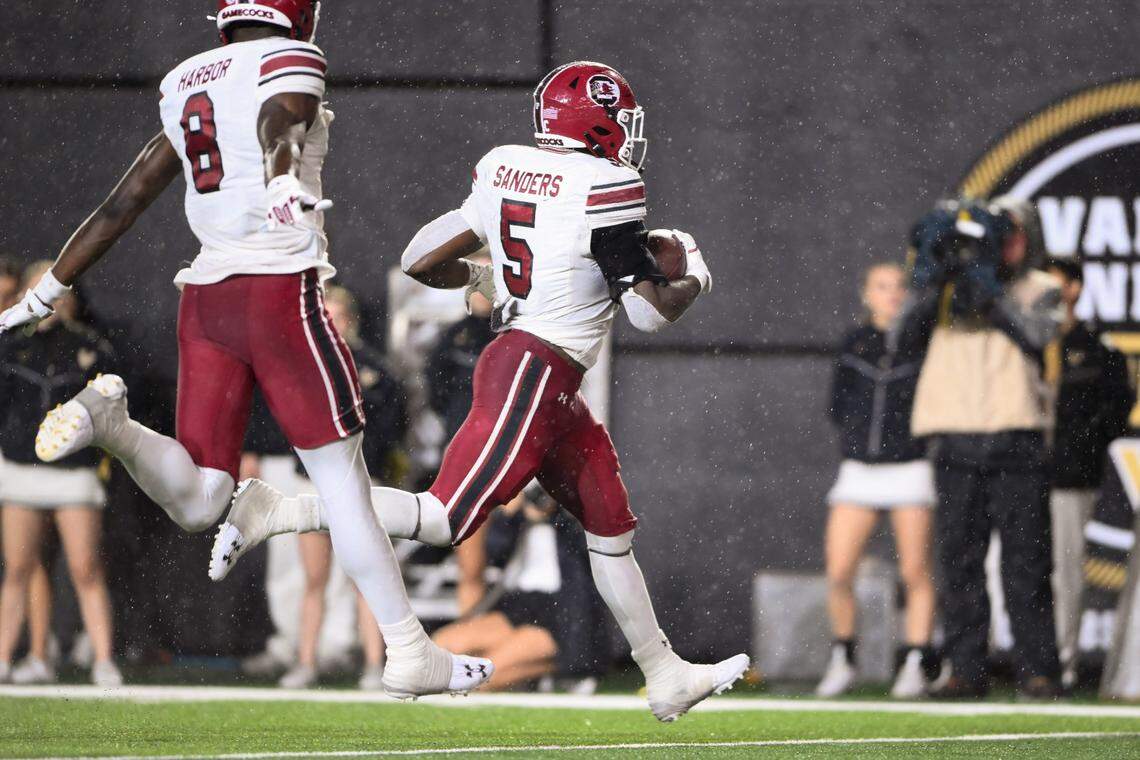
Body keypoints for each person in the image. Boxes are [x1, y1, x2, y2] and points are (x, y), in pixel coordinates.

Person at [216, 60, 750, 722]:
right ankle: (284, 510)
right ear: (600, 119)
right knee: (442, 518)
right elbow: (647, 312)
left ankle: (664, 673)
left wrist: (493, 278)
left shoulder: (505, 166)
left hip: (546, 375)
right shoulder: (610, 183)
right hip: (533, 366)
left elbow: (418, 257)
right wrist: (695, 270)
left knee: (610, 528)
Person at [0, 1, 491, 699]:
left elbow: (124, 200)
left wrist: (50, 287)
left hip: (205, 302)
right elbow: (279, 118)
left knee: (202, 501)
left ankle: (115, 426)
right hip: (279, 294)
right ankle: (409, 649)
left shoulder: (187, 79)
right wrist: (284, 174)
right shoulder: (289, 62)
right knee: (344, 490)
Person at [897, 197, 1063, 699]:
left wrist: (989, 290)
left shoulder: (1043, 288)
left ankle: (1039, 672)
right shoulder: (942, 290)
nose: (1001, 243)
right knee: (960, 564)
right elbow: (904, 339)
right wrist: (937, 272)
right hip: (954, 439)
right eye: (996, 233)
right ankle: (966, 672)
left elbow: (1036, 337)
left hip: (1018, 440)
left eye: (1011, 233)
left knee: (1027, 565)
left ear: (1030, 239)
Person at [817, 262, 937, 699]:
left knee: (915, 572)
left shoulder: (923, 341)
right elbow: (837, 405)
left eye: (899, 287)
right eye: (882, 287)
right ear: (866, 294)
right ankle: (843, 658)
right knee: (838, 571)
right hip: (859, 470)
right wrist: (858, 437)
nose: (891, 294)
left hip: (910, 467)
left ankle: (914, 661)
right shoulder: (854, 342)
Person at [0, 261, 122, 687]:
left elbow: (109, 412)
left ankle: (104, 662)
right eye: (38, 291)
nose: (49, 300)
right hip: (20, 467)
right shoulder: (11, 344)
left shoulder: (92, 347)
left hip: (73, 472)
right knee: (18, 568)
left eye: (55, 291)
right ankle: (11, 658)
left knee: (85, 568)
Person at [277, 285, 402, 690]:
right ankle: (306, 662)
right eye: (321, 318)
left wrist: (361, 464)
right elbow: (290, 423)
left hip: (357, 483)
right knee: (313, 576)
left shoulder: (373, 369)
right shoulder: (304, 366)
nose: (328, 325)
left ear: (349, 319)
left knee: (366, 575)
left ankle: (373, 665)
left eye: (334, 317)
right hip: (312, 482)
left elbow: (390, 428)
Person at [1042, 258, 1131, 689]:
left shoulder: (1096, 347)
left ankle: (1061, 662)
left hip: (1070, 475)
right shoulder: (1021, 338)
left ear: (1075, 288)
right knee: (1008, 569)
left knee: (1065, 570)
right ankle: (1018, 660)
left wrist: (1083, 448)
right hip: (1014, 470)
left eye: (1056, 283)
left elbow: (1116, 408)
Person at [433, 484, 609, 692]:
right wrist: (511, 514)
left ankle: (542, 674)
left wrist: (558, 513)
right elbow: (496, 552)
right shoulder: (521, 502)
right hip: (521, 602)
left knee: (476, 676)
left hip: (565, 612)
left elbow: (600, 551)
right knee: (443, 648)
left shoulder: (582, 493)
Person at [425, 292, 497, 441]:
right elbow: (435, 372)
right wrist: (449, 408)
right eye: (477, 291)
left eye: (486, 291)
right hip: (459, 413)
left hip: (495, 414)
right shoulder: (456, 333)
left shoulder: (506, 334)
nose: (481, 296)